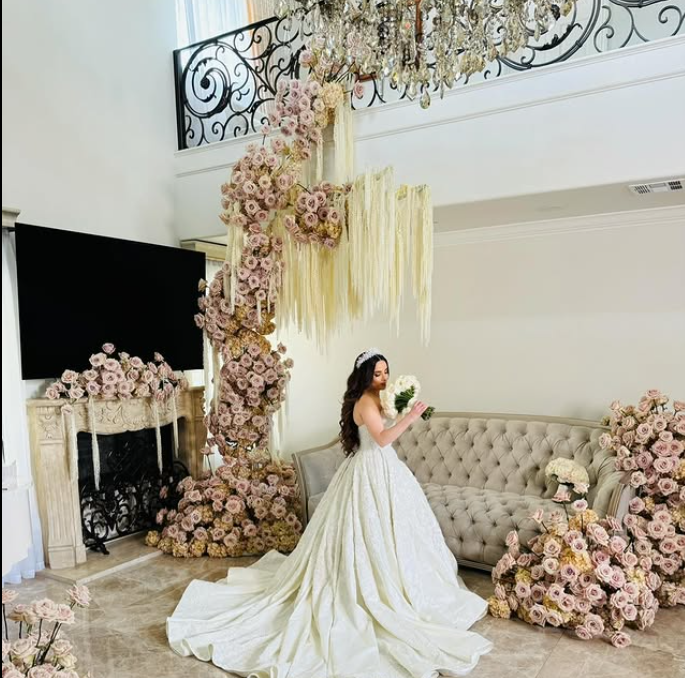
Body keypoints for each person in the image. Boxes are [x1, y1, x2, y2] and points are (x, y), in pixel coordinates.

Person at [167, 349, 492, 677]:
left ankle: (406, 585)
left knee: (401, 533)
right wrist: (410, 418)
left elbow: (383, 428)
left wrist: (401, 405)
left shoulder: (376, 398)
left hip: (387, 471)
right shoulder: (364, 402)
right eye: (378, 374)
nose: (384, 378)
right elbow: (382, 440)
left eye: (386, 372)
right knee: (364, 535)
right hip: (370, 470)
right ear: (365, 376)